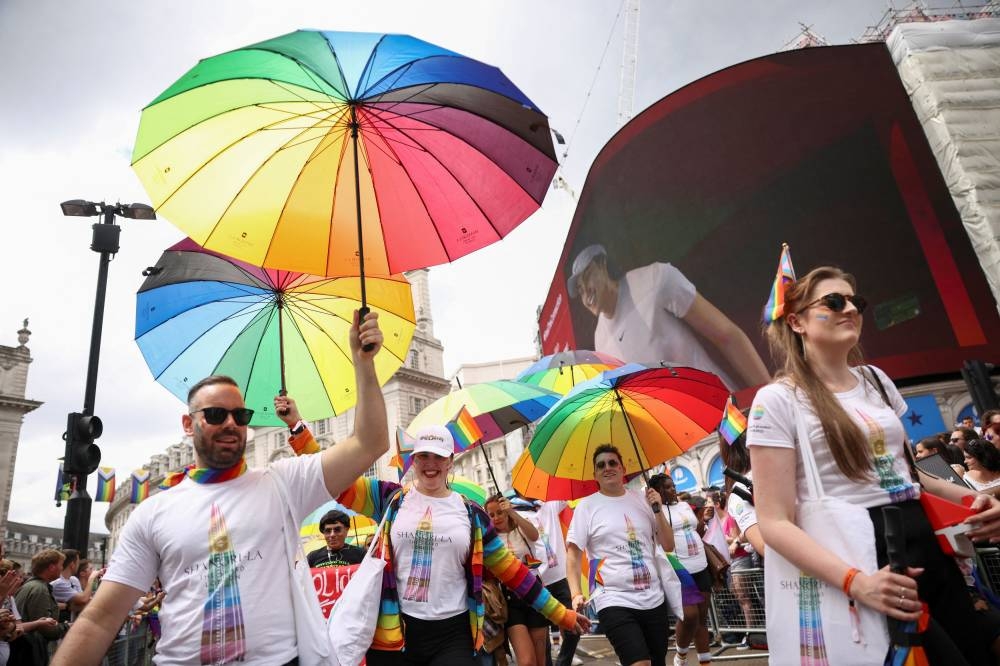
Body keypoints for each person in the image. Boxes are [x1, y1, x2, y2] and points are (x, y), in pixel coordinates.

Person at [52, 310, 389, 666]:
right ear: (188, 423)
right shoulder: (153, 511)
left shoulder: (283, 483)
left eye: (240, 416)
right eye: (215, 415)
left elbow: (369, 443)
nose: (231, 424)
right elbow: (100, 619)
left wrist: (363, 363)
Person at [748, 265, 1000, 665]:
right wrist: (856, 583)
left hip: (927, 547)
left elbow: (909, 477)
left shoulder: (876, 380)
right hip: (864, 553)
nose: (850, 308)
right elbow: (774, 521)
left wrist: (974, 502)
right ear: (795, 321)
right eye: (834, 301)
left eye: (855, 301)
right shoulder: (777, 400)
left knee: (974, 655)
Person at [337, 425, 589, 666]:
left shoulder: (471, 514)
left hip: (453, 635)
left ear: (450, 461)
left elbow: (514, 573)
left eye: (438, 456)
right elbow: (335, 481)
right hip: (395, 634)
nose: (430, 464)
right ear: (413, 460)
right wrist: (300, 434)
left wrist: (561, 614)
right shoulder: (390, 499)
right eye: (423, 455)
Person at [566, 244, 770, 390]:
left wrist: (772, 397)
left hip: (721, 416)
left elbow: (726, 335)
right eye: (580, 289)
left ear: (602, 264)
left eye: (587, 277)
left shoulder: (655, 280)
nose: (586, 294)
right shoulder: (600, 339)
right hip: (675, 444)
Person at [567, 445, 675, 666]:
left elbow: (668, 544)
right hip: (613, 598)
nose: (607, 468)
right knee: (639, 663)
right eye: (601, 465)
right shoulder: (586, 506)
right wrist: (576, 593)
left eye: (612, 463)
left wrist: (658, 509)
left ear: (623, 468)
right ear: (594, 474)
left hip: (653, 597)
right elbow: (573, 554)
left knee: (657, 662)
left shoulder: (643, 499)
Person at [647, 474, 713, 666]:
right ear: (658, 491)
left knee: (702, 618)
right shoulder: (655, 512)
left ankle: (705, 662)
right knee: (689, 615)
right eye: (667, 487)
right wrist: (656, 507)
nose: (673, 489)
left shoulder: (684, 506)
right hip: (678, 567)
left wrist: (703, 520)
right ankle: (681, 655)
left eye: (673, 486)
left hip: (700, 564)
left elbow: (694, 531)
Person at [484, 495, 549, 666]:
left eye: (499, 512)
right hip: (510, 600)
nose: (496, 518)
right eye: (491, 515)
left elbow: (534, 535)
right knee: (527, 661)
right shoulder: (490, 540)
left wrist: (512, 512)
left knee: (540, 660)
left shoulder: (521, 528)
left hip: (535, 594)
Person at [532, 500, 583, 666]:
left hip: (560, 578)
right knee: (542, 634)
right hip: (538, 582)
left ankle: (563, 662)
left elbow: (565, 495)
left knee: (574, 625)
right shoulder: (516, 512)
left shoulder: (549, 505)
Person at [13, 550, 70, 664]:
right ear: (52, 567)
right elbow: (46, 628)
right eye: (60, 565)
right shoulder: (40, 589)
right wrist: (67, 627)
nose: (62, 568)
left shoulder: (29, 585)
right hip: (30, 653)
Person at [50, 550, 93, 622]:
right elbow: (83, 599)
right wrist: (92, 578)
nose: (78, 565)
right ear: (72, 565)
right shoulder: (59, 583)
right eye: (78, 563)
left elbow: (83, 602)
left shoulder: (74, 579)